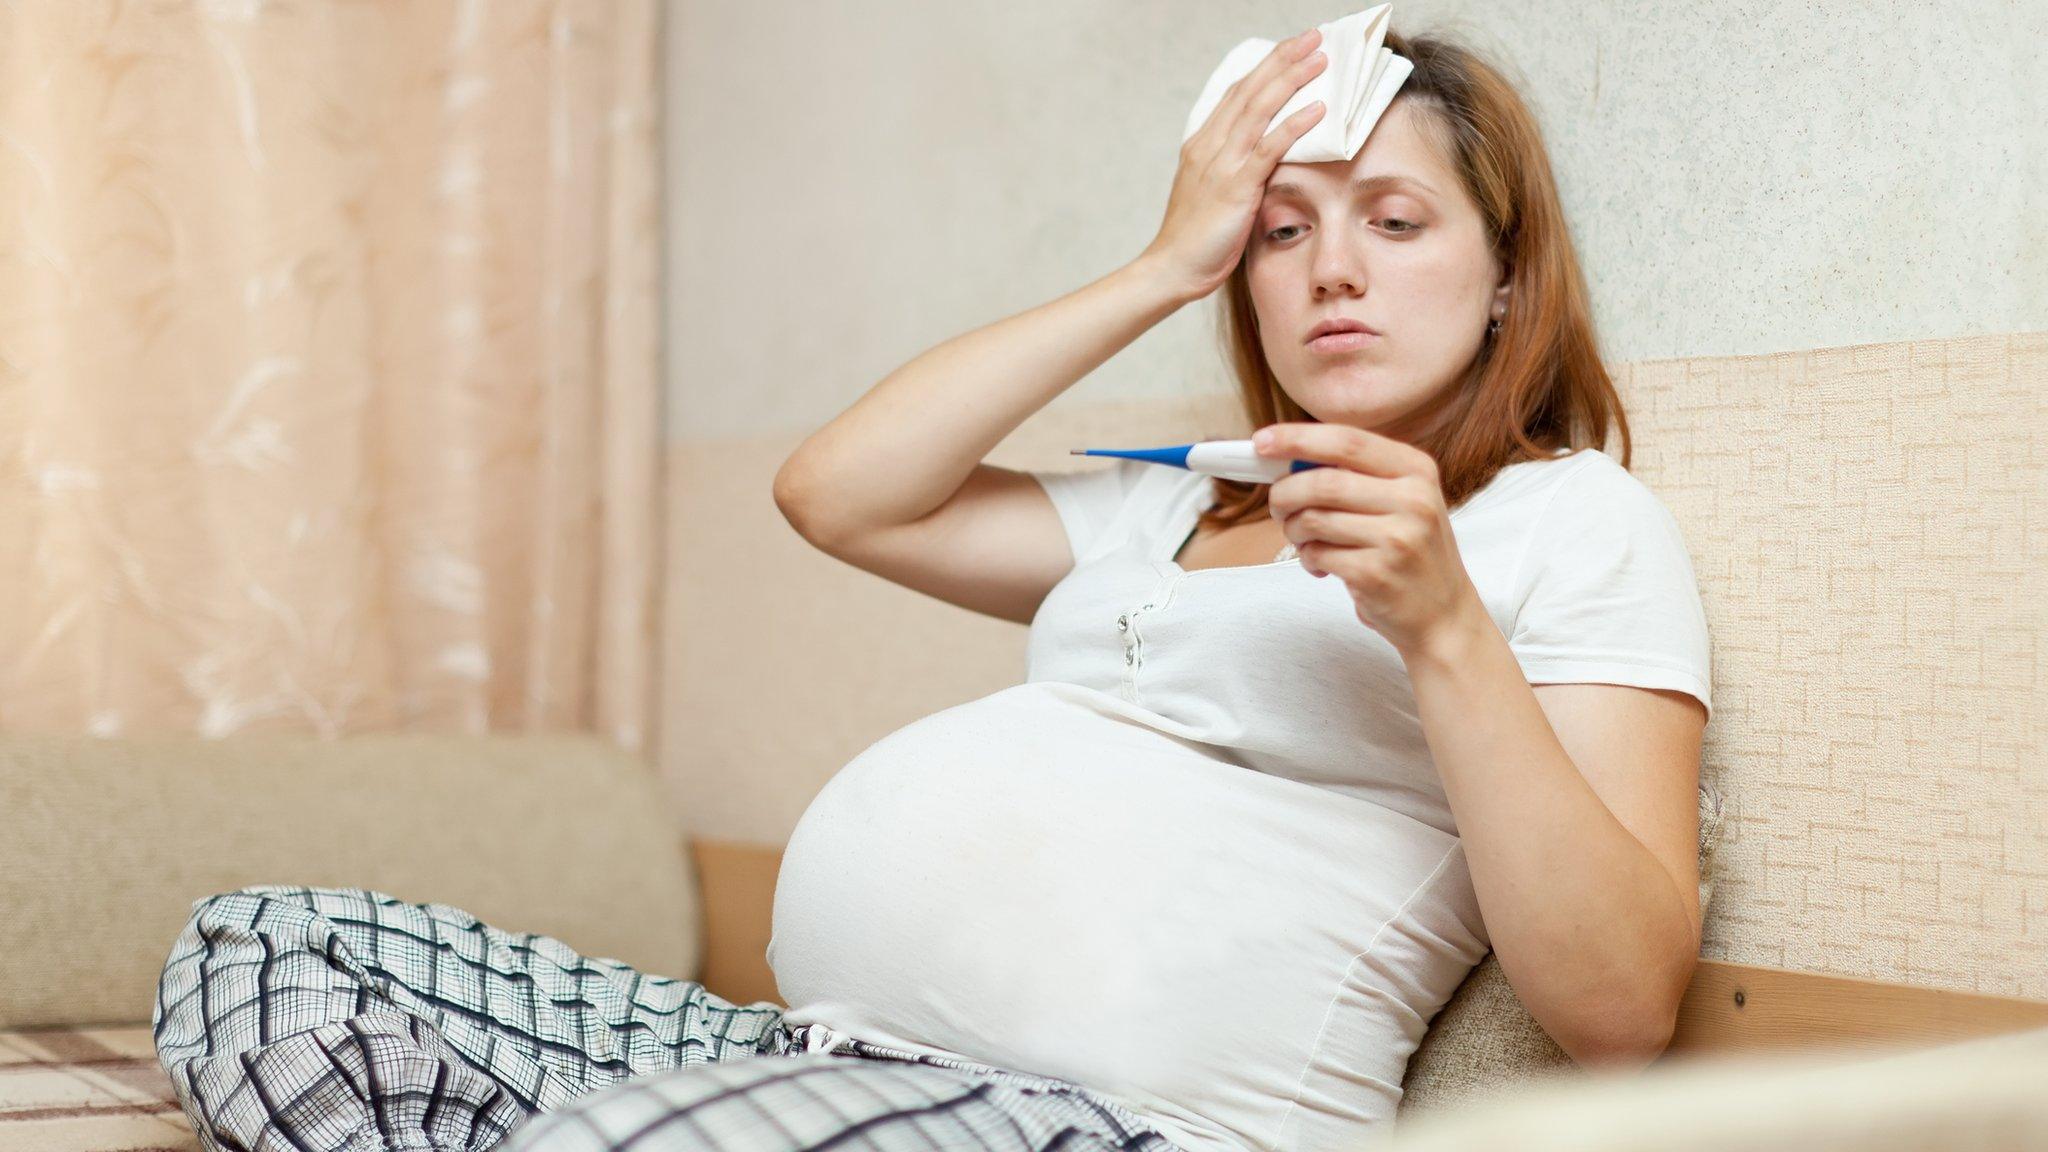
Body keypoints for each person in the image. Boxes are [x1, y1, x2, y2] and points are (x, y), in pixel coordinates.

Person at [154, 23, 1712, 1152]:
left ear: (1507, 272)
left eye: (1395, 221)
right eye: (1283, 232)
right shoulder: (1169, 504)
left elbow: (1621, 1007)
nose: (1333, 271)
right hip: (815, 1057)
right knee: (261, 958)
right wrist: (1165, 261)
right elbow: (838, 492)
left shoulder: (1567, 525)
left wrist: (1439, 623)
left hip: (1115, 1124)